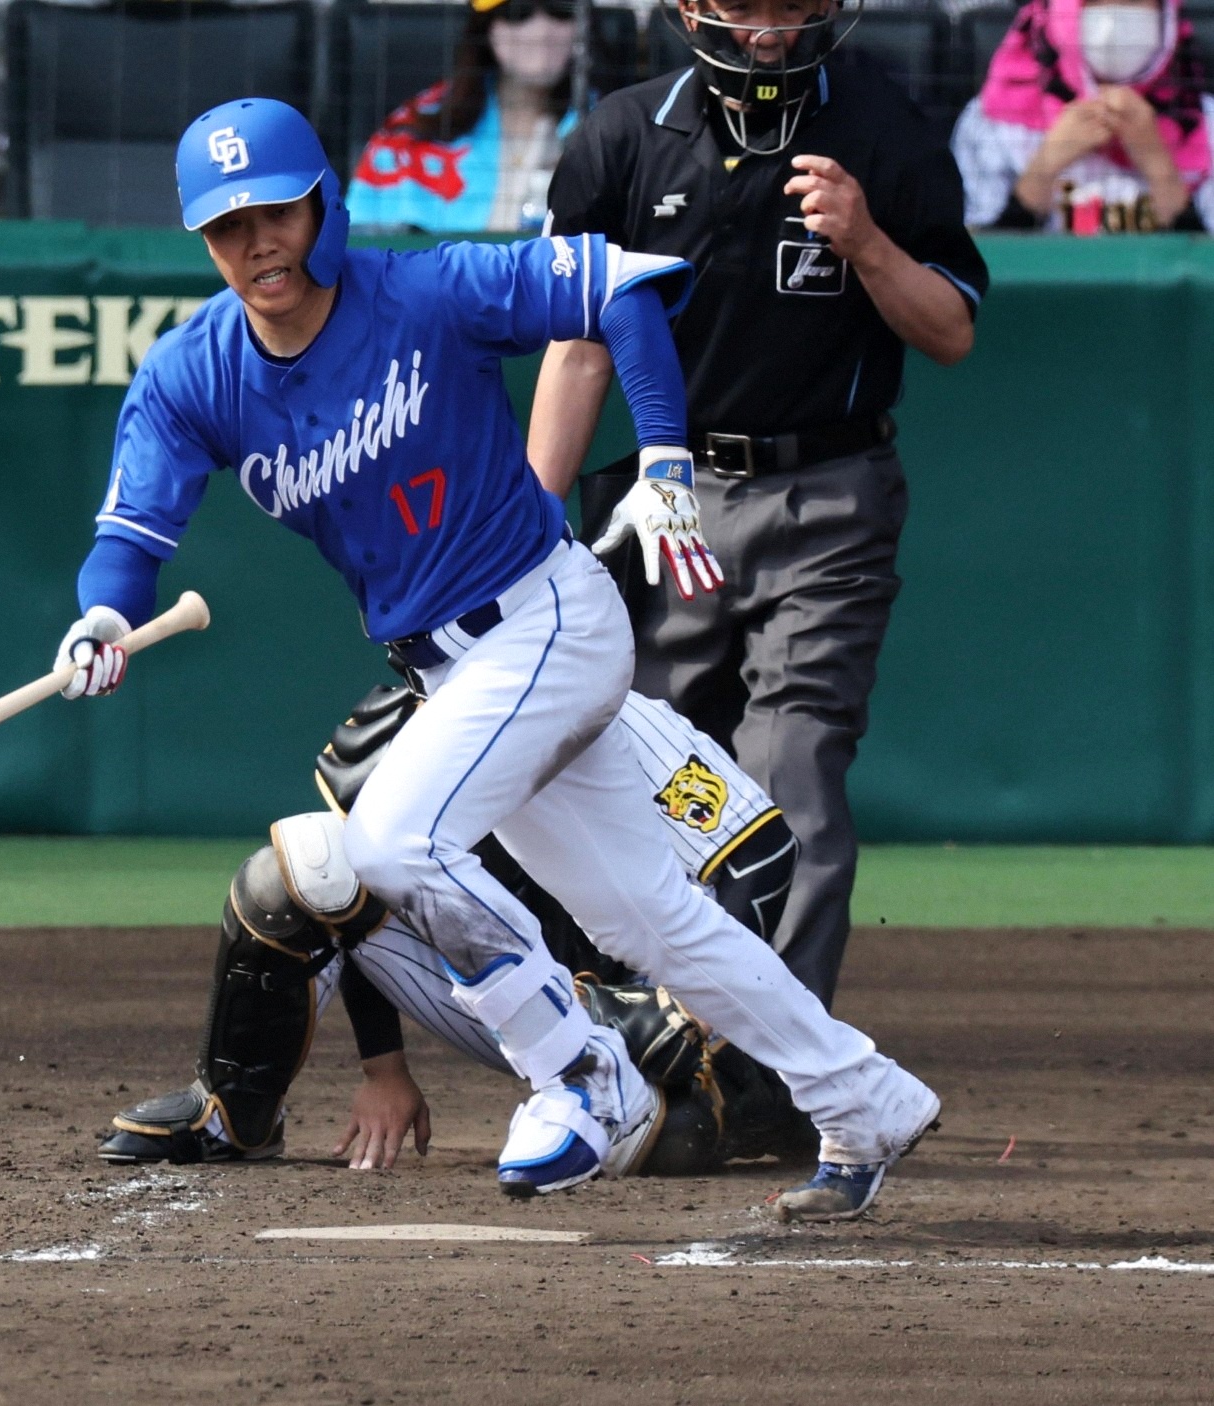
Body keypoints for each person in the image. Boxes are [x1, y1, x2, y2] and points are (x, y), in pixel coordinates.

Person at [54, 95, 938, 1220]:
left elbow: (617, 284)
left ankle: (579, 1070)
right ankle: (860, 1094)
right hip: (454, 667)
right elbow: (129, 542)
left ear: (320, 205)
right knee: (647, 919)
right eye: (226, 228)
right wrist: (98, 618)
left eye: (274, 213)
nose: (255, 245)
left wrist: (664, 454)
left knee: (390, 842)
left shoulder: (423, 291)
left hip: (547, 620)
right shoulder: (196, 373)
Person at [530, 0, 988, 1007]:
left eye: (791, 5)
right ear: (690, 8)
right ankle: (651, 1033)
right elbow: (578, 347)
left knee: (791, 766)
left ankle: (775, 1068)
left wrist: (866, 241)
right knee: (653, 766)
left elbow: (950, 328)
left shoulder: (884, 126)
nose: (768, 30)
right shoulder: (620, 136)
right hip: (672, 500)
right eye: (744, 4)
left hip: (830, 495)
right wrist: (528, 529)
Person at [101, 682, 814, 1176]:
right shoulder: (417, 719)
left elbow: (761, 854)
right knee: (308, 868)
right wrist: (386, 1071)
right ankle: (232, 1112)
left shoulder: (618, 720)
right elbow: (374, 889)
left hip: (643, 1021)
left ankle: (755, 1104)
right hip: (512, 994)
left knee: (672, 1139)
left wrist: (696, 1003)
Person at [953, 0, 1214, 232]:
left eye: (1133, 0)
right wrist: (1046, 165)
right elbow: (971, 268)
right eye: (1094, 1)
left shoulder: (1204, 123)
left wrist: (1160, 167)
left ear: (1166, 11)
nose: (1113, 18)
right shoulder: (993, 119)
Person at [347, 0, 585, 232]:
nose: (541, 31)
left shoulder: (610, 130)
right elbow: (363, 249)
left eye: (559, 9)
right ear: (486, 26)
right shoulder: (410, 136)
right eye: (518, 12)